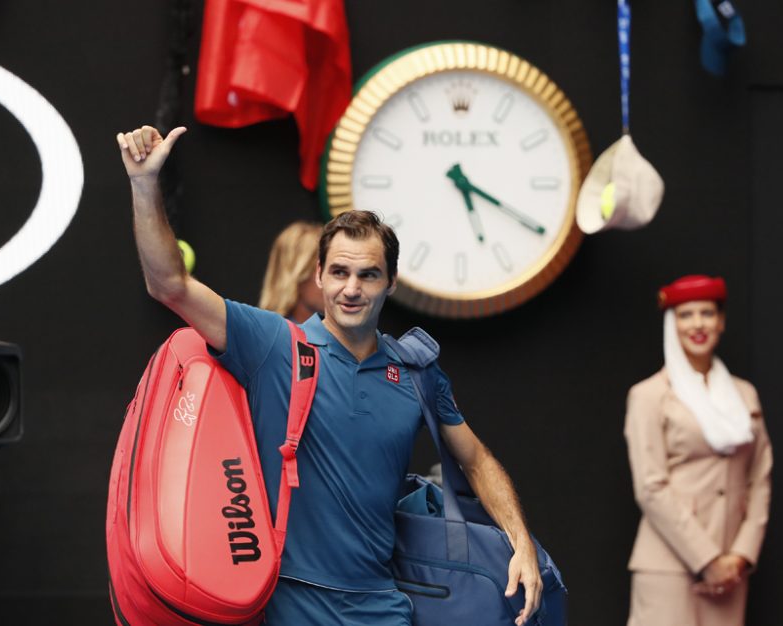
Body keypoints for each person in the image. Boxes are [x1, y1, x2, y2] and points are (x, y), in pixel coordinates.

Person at [117, 124, 542, 626]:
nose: (351, 288)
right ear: (318, 276)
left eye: (368, 274)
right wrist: (144, 184)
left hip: (381, 604)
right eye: (339, 272)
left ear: (391, 283)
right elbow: (169, 283)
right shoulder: (274, 344)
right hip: (286, 604)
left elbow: (476, 459)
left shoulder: (416, 371)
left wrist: (521, 542)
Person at [624, 275, 772, 626]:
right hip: (670, 565)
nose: (698, 324)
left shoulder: (745, 394)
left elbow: (760, 477)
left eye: (707, 313)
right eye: (686, 315)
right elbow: (651, 487)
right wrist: (708, 560)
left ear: (721, 321)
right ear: (671, 324)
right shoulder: (648, 395)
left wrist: (739, 555)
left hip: (731, 568)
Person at [258, 221, 324, 322]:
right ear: (298, 274)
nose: (331, 280)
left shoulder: (346, 334)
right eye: (320, 269)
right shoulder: (265, 334)